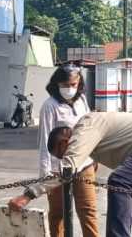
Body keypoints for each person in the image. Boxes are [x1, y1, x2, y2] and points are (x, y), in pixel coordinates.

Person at [8, 112, 132, 237]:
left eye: (62, 153)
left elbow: (68, 166)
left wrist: (29, 194)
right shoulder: (92, 129)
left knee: (118, 182)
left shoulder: (84, 125)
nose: (65, 156)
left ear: (64, 141)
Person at [37, 64, 99, 237]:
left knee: (89, 212)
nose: (70, 89)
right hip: (58, 168)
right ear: (57, 83)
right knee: (58, 214)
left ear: (79, 83)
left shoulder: (82, 101)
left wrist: (95, 157)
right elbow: (44, 142)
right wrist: (45, 175)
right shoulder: (49, 106)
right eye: (65, 85)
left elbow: (89, 130)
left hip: (84, 165)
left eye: (73, 84)